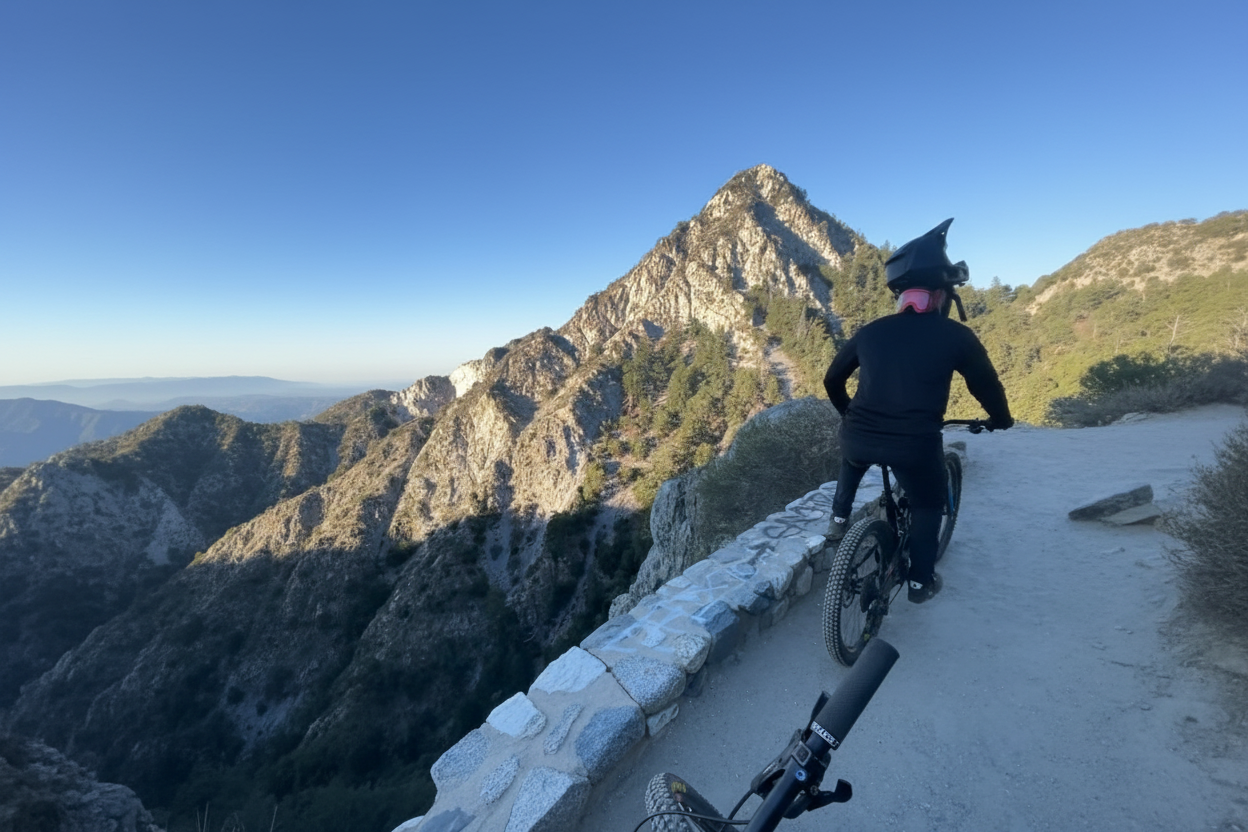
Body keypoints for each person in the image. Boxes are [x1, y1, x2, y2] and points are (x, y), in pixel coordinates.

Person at [823, 219, 1013, 604]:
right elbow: (985, 386)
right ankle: (919, 583)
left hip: (858, 437)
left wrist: (850, 414)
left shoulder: (871, 331)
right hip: (913, 446)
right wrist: (1001, 419)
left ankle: (839, 519)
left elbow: (832, 380)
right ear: (941, 296)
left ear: (903, 296)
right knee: (928, 505)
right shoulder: (957, 336)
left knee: (853, 456)